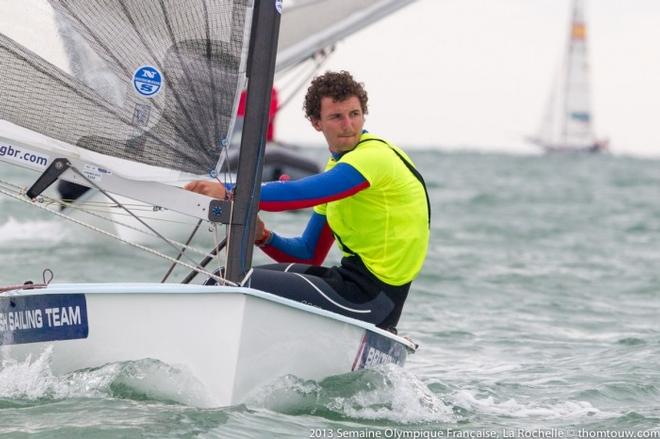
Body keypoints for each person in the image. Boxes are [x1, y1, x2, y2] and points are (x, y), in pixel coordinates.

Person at [185, 71, 430, 331]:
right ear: (317, 122)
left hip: (370, 299)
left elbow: (299, 194)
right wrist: (263, 237)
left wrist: (230, 190)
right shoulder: (338, 165)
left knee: (230, 284)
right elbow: (309, 252)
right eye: (336, 116)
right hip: (348, 280)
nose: (348, 124)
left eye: (354, 114)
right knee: (224, 279)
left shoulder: (374, 158)